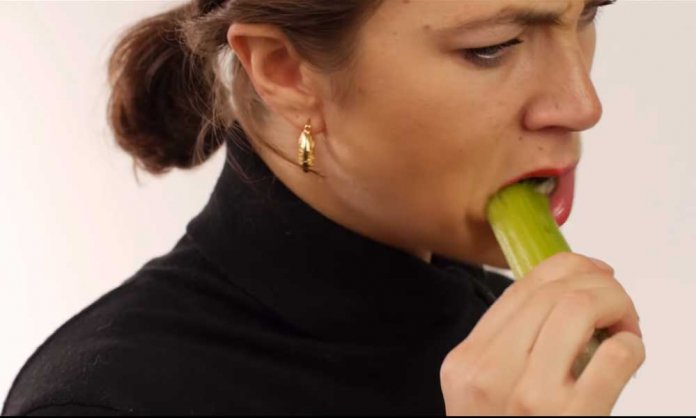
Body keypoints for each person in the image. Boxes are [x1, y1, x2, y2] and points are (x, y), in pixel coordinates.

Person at [2, 0, 644, 415]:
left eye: (586, 15)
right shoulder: (100, 402)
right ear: (284, 71)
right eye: (493, 45)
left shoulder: (503, 339)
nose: (581, 102)